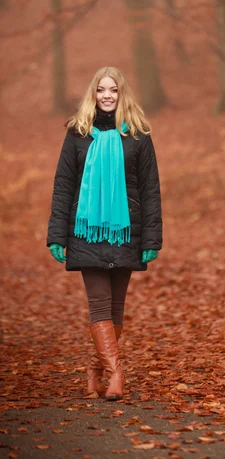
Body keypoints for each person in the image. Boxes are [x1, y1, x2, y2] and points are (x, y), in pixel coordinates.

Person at [46, 66, 162, 401]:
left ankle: (95, 369)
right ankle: (116, 374)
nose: (107, 95)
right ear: (92, 94)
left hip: (126, 232)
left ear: (122, 93)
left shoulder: (139, 135)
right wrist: (57, 234)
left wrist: (152, 239)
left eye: (113, 89)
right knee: (99, 303)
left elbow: (150, 189)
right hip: (86, 232)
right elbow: (64, 186)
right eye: (101, 90)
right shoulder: (77, 133)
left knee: (116, 308)